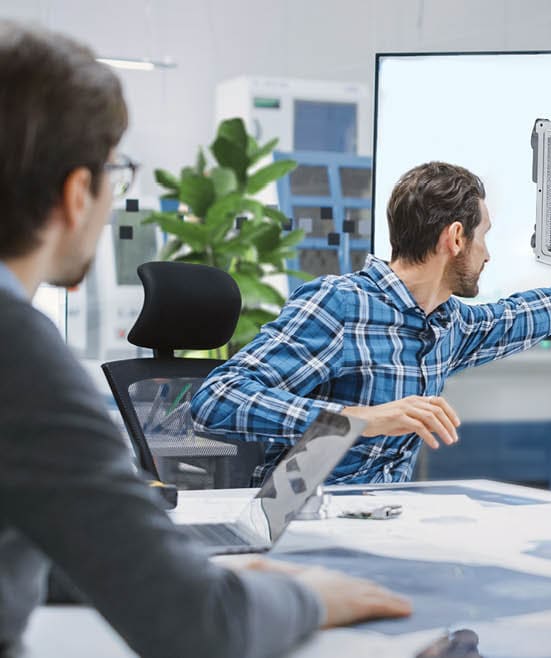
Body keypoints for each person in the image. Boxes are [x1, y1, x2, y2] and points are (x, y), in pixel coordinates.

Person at [0, 21, 410, 658]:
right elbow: (198, 627)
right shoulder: (16, 353)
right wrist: (312, 597)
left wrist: (170, 568)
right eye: (117, 170)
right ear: (78, 192)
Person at [191, 161, 551, 485]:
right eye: (483, 237)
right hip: (305, 524)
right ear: (454, 238)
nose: (486, 254)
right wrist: (357, 420)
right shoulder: (340, 306)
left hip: (386, 520)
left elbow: (514, 317)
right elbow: (216, 397)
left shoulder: (445, 323)